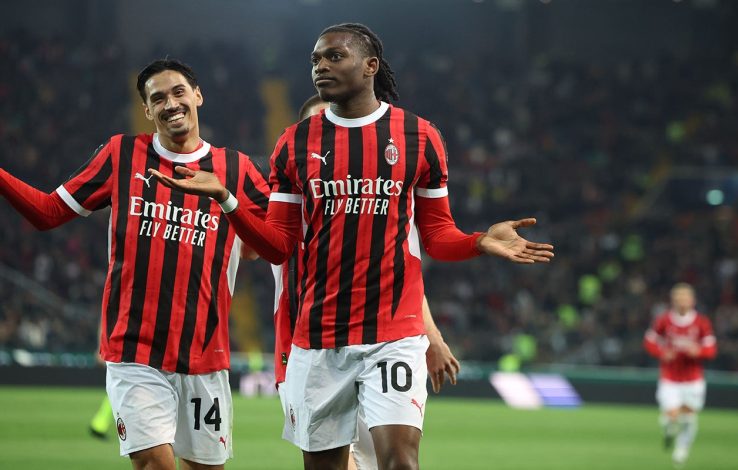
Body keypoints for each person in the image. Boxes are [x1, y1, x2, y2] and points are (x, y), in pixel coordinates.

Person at [151, 23, 554, 470]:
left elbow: (437, 236)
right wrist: (228, 199)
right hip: (318, 340)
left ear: (370, 66)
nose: (320, 66)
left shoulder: (419, 137)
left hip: (393, 335)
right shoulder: (295, 142)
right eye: (315, 60)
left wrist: (479, 241)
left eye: (334, 56)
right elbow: (279, 247)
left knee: (400, 461)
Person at [1, 58, 271, 470]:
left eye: (179, 92)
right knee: (154, 463)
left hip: (204, 355)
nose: (171, 104)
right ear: (147, 110)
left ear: (198, 96)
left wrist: (233, 214)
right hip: (135, 351)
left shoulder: (237, 169)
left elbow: (271, 242)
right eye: (158, 98)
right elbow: (48, 212)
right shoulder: (121, 155)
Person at [272, 95, 462, 470]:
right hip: (308, 350)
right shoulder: (285, 201)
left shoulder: (376, 212)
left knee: (386, 461)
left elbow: (402, 272)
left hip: (378, 342)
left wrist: (432, 337)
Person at [644, 283, 717, 467]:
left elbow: (711, 349)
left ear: (692, 301)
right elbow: (649, 342)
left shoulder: (701, 322)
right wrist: (662, 353)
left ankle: (682, 449)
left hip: (693, 379)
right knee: (672, 414)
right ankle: (669, 429)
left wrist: (698, 351)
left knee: (688, 417)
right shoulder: (663, 320)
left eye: (685, 298)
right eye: (678, 299)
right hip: (670, 377)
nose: (682, 302)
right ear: (673, 301)